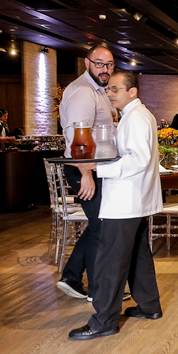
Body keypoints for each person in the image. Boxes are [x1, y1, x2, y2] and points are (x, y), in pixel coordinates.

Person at [68, 70, 163, 340]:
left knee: (110, 260)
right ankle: (149, 306)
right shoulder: (138, 115)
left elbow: (138, 159)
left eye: (115, 89)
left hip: (125, 200)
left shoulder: (135, 117)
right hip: (135, 198)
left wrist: (98, 168)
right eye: (108, 89)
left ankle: (104, 321)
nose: (109, 93)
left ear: (132, 91)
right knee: (138, 255)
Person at [55, 45, 118, 299]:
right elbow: (77, 138)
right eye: (99, 63)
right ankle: (97, 291)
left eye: (109, 65)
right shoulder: (82, 91)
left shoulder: (98, 90)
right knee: (101, 226)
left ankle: (72, 276)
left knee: (99, 224)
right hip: (85, 168)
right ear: (87, 63)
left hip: (95, 167)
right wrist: (86, 174)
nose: (105, 69)